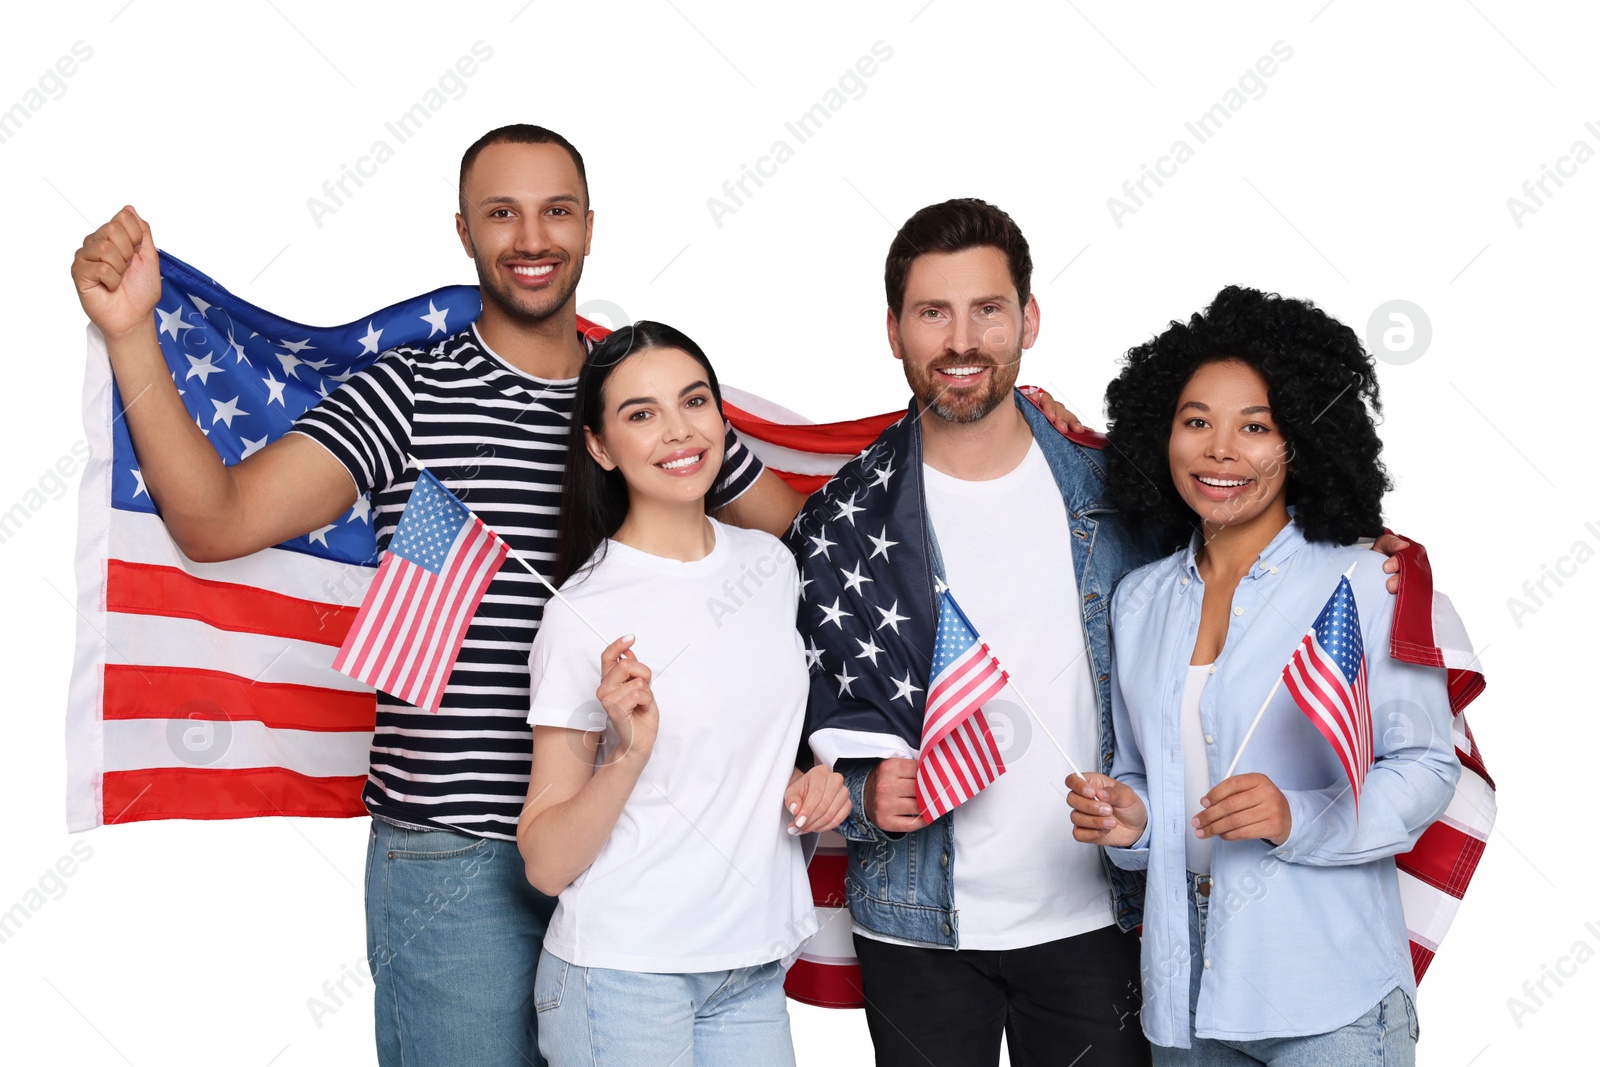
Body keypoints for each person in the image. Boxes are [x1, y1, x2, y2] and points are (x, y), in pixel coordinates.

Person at [67, 125, 805, 1067]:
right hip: (458, 860)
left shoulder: (647, 405)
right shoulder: (405, 393)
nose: (531, 236)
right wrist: (132, 333)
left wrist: (995, 431)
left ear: (589, 227)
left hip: (638, 858)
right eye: (502, 213)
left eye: (555, 210)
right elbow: (216, 521)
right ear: (464, 231)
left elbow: (809, 544)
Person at [794, 198, 1160, 1067]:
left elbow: (1239, 556)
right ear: (894, 330)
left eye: (987, 309)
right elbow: (807, 710)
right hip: (919, 929)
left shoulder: (1124, 495)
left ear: (1029, 318)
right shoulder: (842, 522)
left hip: (1094, 917)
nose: (962, 340)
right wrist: (863, 788)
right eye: (933, 312)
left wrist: (1347, 528)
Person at [1066, 286, 1462, 1064]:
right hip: (1186, 994)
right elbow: (1149, 775)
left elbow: (1426, 765)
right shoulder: (1138, 601)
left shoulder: (1360, 581)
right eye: (1196, 421)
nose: (1220, 449)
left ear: (1303, 443)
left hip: (1330, 992)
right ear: (1161, 433)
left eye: (1255, 426)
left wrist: (1296, 815)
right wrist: (1132, 822)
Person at [517, 321, 850, 1066]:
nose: (678, 431)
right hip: (624, 976)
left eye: (693, 401)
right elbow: (544, 860)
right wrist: (628, 756)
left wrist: (812, 785)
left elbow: (741, 752)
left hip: (750, 966)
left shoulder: (771, 567)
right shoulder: (581, 612)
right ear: (600, 446)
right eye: (641, 413)